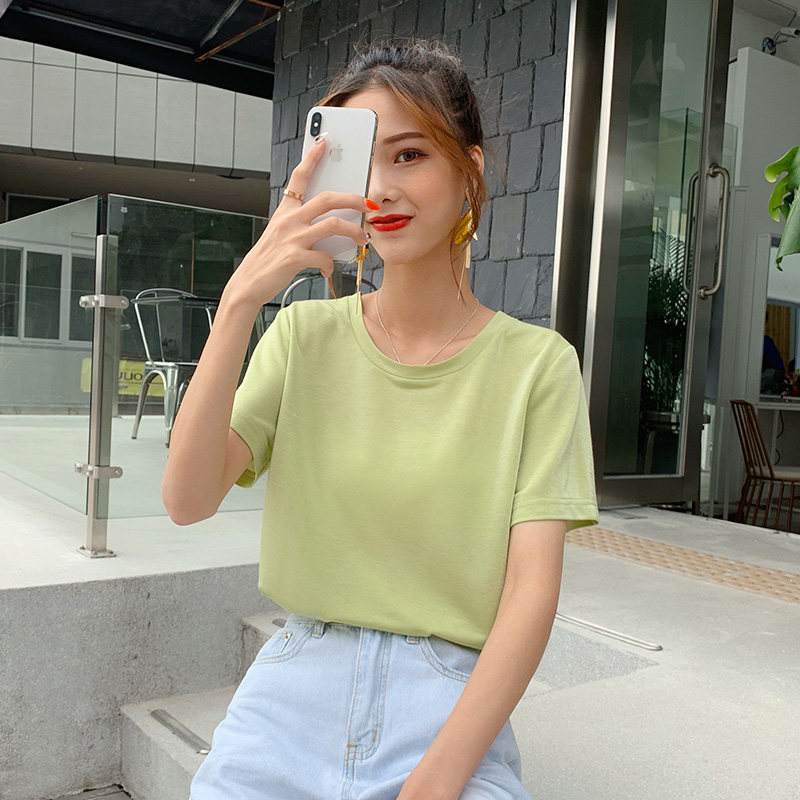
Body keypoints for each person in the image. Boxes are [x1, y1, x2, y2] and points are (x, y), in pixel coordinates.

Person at [163, 37, 599, 800]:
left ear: (470, 170)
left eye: (409, 155)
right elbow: (188, 500)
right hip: (290, 699)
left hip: (449, 706)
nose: (380, 189)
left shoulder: (537, 366)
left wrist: (439, 777)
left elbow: (531, 594)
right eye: (360, 162)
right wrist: (239, 303)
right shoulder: (302, 337)